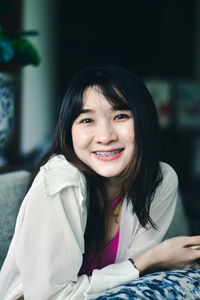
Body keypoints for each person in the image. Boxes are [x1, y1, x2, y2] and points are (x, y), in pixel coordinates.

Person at [0, 65, 200, 300]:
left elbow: (129, 284)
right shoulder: (62, 179)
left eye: (121, 116)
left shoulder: (160, 180)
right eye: (87, 120)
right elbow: (51, 297)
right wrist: (153, 258)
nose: (106, 136)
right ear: (68, 132)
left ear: (144, 121)